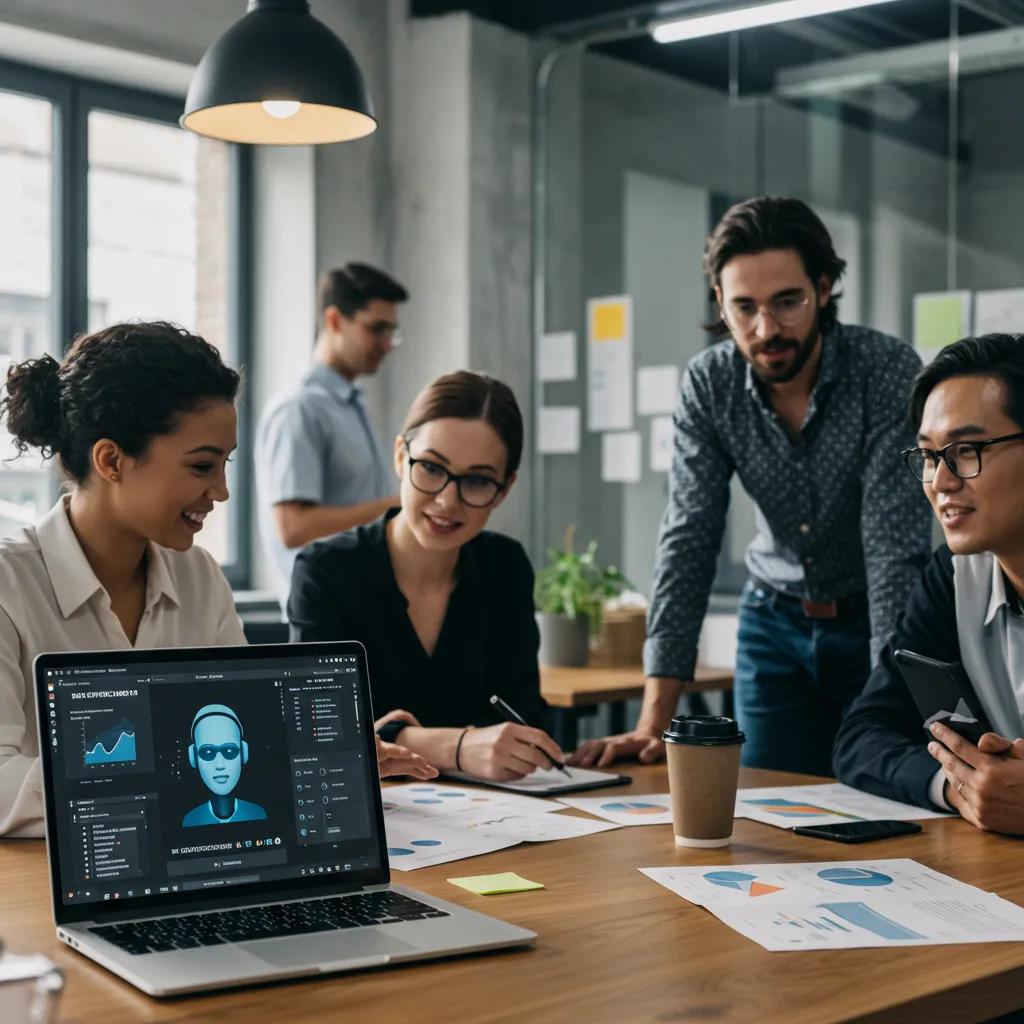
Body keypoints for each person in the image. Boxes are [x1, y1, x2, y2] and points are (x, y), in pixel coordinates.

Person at [0, 322, 433, 838]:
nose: (221, 491)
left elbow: (247, 730)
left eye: (224, 464)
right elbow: (4, 787)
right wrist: (180, 781)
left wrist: (317, 761)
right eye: (202, 466)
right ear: (112, 460)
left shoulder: (198, 577)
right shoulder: (10, 583)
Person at [573, 197, 933, 775]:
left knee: (880, 793)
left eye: (787, 302)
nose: (767, 330)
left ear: (821, 287)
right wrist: (651, 723)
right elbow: (688, 538)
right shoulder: (709, 385)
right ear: (720, 300)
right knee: (769, 806)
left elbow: (895, 551)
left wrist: (889, 709)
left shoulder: (885, 370)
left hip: (874, 619)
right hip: (773, 626)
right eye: (745, 307)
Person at [288, 370, 566, 781]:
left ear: (504, 489)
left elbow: (522, 716)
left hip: (495, 810)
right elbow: (319, 730)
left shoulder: (504, 566)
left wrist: (398, 736)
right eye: (432, 469)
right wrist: (458, 747)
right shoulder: (326, 569)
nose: (447, 501)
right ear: (401, 456)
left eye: (477, 481)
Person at [834, 334, 1024, 834]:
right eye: (927, 455)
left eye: (965, 450)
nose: (939, 481)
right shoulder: (956, 576)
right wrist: (962, 786)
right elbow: (862, 737)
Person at [256, 263, 408, 603]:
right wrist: (398, 506)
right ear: (335, 320)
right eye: (377, 329)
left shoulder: (352, 406)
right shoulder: (298, 410)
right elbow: (293, 528)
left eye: (392, 331)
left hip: (362, 603)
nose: (387, 344)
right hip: (325, 611)